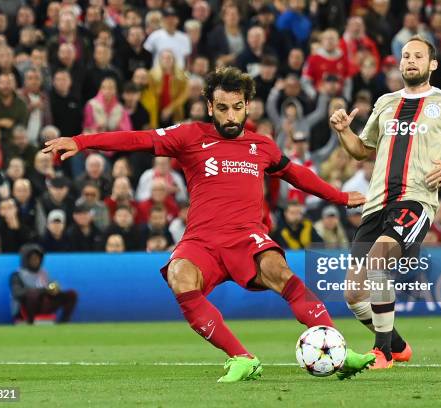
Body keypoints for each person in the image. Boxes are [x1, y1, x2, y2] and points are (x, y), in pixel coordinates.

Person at [43, 66, 374, 383]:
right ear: (209, 107)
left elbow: (296, 174)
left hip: (247, 238)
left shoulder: (263, 145)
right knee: (178, 275)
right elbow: (137, 139)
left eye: (237, 107)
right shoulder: (189, 136)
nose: (231, 116)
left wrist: (340, 197)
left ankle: (339, 353)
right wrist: (82, 141)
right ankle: (242, 358)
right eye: (223, 108)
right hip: (202, 241)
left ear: (248, 106)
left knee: (279, 270)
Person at [331, 36, 441, 369]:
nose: (411, 61)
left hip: (414, 200)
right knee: (353, 294)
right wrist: (344, 131)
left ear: (433, 64)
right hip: (376, 203)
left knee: (377, 264)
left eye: (418, 56)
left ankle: (382, 353)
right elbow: (362, 150)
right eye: (405, 56)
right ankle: (398, 345)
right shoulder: (386, 102)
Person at [9, 243, 78, 323]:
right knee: (32, 296)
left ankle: (64, 321)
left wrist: (54, 287)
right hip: (26, 310)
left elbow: (49, 286)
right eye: (32, 258)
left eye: (38, 258)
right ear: (26, 259)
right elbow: (17, 293)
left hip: (44, 304)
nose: (36, 261)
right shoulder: (17, 275)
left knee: (71, 294)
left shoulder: (44, 273)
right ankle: (30, 323)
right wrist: (41, 291)